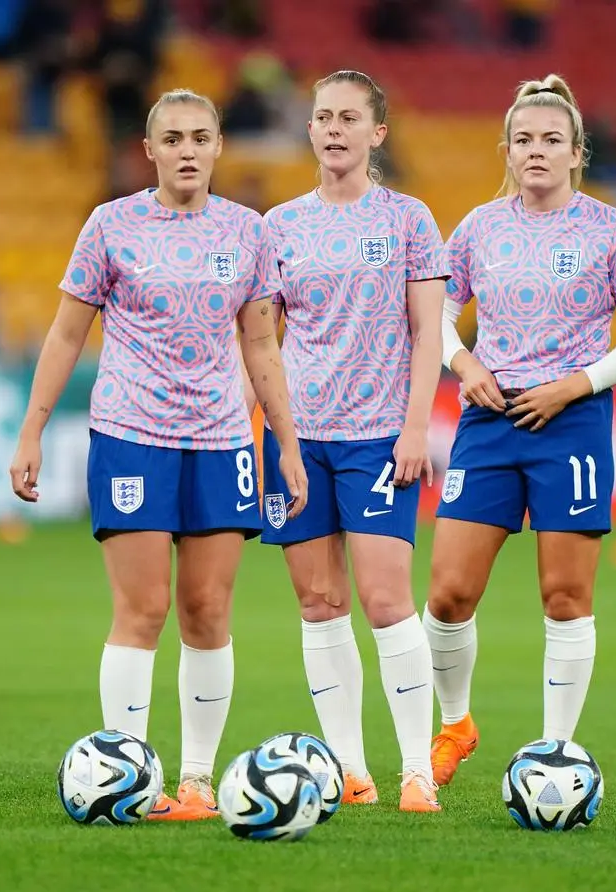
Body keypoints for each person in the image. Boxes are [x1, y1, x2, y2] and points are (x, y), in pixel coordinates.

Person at [9, 89, 308, 821]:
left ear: (216, 147)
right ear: (149, 150)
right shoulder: (110, 225)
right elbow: (64, 336)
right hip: (131, 433)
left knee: (207, 609)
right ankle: (130, 775)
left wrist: (287, 442)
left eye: (199, 137)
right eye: (171, 137)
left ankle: (199, 778)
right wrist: (32, 429)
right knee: (141, 609)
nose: (186, 150)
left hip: (220, 439)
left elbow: (261, 344)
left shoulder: (246, 232)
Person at [423, 75, 616, 787]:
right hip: (489, 419)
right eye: (524, 139)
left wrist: (573, 386)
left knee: (564, 596)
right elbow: (433, 313)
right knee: (446, 595)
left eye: (550, 140)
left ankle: (555, 750)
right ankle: (455, 724)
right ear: (506, 149)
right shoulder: (477, 227)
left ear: (575, 153)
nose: (536, 150)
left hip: (571, 420)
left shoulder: (609, 229)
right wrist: (461, 360)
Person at [257, 70, 448, 812]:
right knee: (317, 602)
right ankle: (347, 768)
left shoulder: (407, 219)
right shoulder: (277, 226)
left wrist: (415, 425)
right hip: (299, 443)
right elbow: (262, 341)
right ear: (308, 130)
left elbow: (428, 329)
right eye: (321, 117)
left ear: (377, 134)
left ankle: (414, 769)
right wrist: (267, 436)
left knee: (385, 599)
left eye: (348, 118)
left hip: (377, 440)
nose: (332, 129)